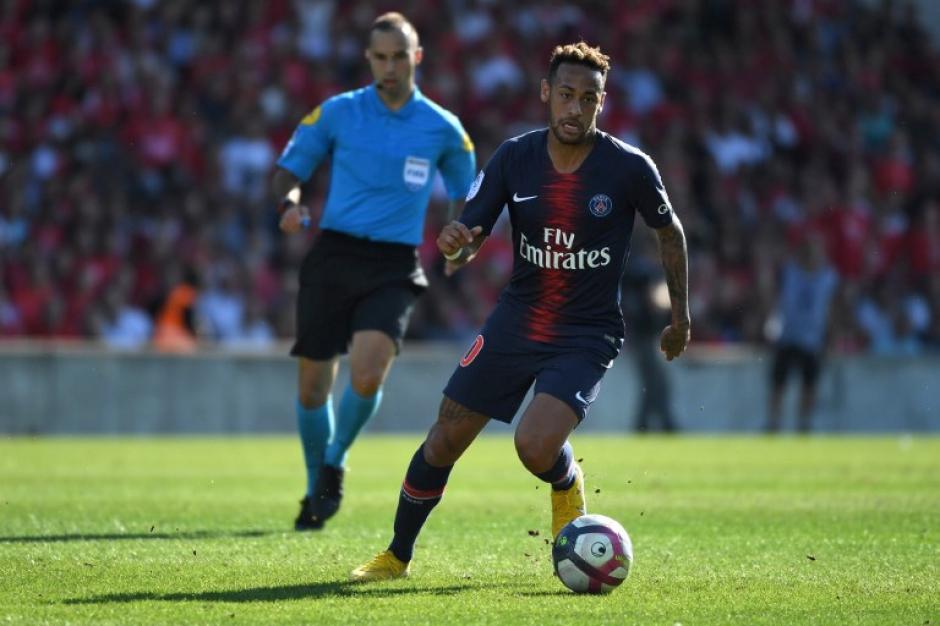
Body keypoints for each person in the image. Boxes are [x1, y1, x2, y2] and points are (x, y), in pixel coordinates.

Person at [351, 42, 691, 582]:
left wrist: (681, 317)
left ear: (602, 102)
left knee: (533, 446)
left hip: (586, 333)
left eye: (588, 98)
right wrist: (456, 244)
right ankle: (396, 556)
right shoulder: (515, 158)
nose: (575, 109)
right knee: (443, 439)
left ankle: (564, 480)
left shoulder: (628, 168)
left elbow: (670, 234)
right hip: (518, 320)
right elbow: (469, 240)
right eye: (565, 95)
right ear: (545, 95)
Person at [272, 12, 476, 531]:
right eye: (380, 57)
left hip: (393, 263)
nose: (389, 66)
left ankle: (334, 463)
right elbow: (288, 171)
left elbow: (466, 193)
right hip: (334, 256)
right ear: (369, 58)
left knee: (367, 371)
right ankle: (316, 483)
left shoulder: (443, 128)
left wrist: (460, 240)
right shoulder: (339, 113)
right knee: (313, 387)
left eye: (399, 56)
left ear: (417, 58)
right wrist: (291, 205)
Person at [766, 234, 838, 433]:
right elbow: (776, 299)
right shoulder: (790, 273)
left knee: (809, 384)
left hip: (812, 339)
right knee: (779, 382)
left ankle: (804, 423)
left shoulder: (828, 277)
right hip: (788, 336)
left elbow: (830, 309)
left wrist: (830, 336)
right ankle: (774, 422)